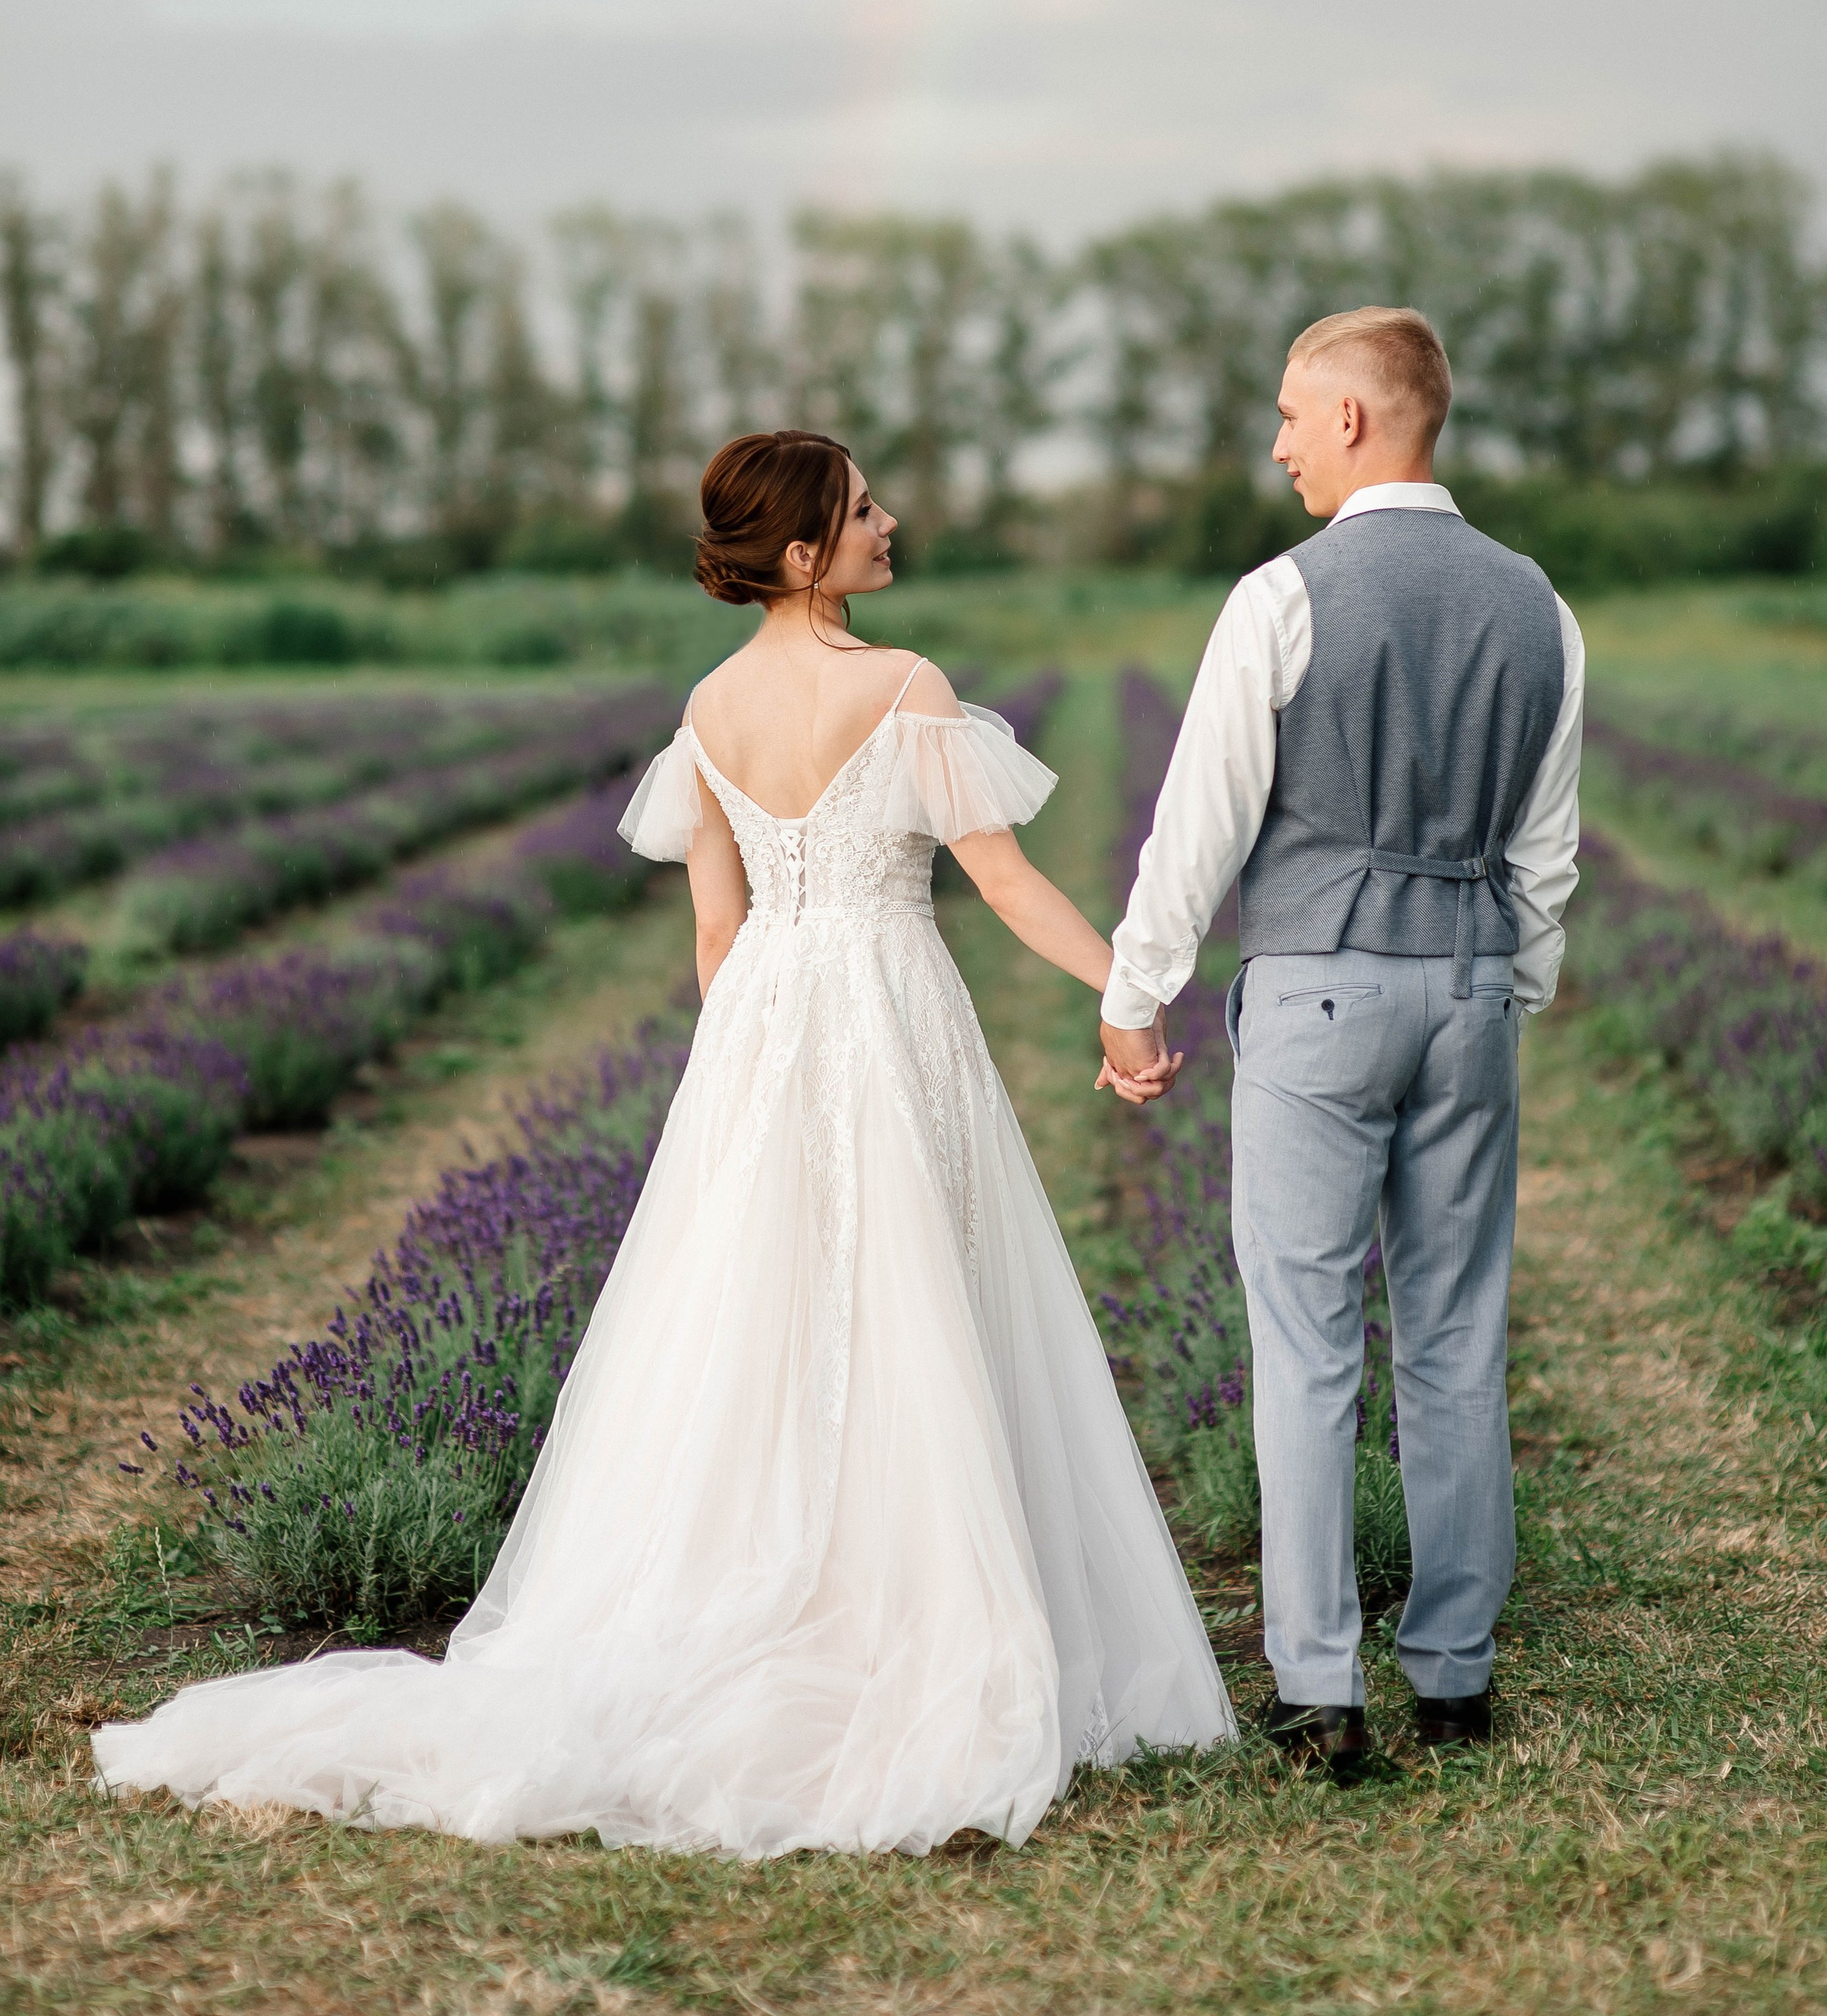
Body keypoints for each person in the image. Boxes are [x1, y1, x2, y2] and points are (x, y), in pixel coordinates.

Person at [95, 429, 1233, 1856]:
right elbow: (997, 881)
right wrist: (1131, 990)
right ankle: (892, 1615)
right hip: (885, 1007)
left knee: (760, 1324)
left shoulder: (707, 706)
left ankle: (790, 1588)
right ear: (807, 553)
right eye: (865, 508)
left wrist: (748, 1070)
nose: (892, 522)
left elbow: (716, 933)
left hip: (761, 1023)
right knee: (905, 1302)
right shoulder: (904, 687)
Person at [1097, 311, 1583, 1785]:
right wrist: (1510, 989)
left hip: (1315, 992)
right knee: (1455, 1336)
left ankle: (1320, 1692)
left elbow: (1203, 819)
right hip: (1469, 995)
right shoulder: (1535, 605)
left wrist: (1139, 990)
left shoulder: (1280, 597)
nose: (1278, 443)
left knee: (1305, 1345)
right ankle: (1452, 1675)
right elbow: (1543, 850)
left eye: (1294, 416)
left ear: (1362, 421)